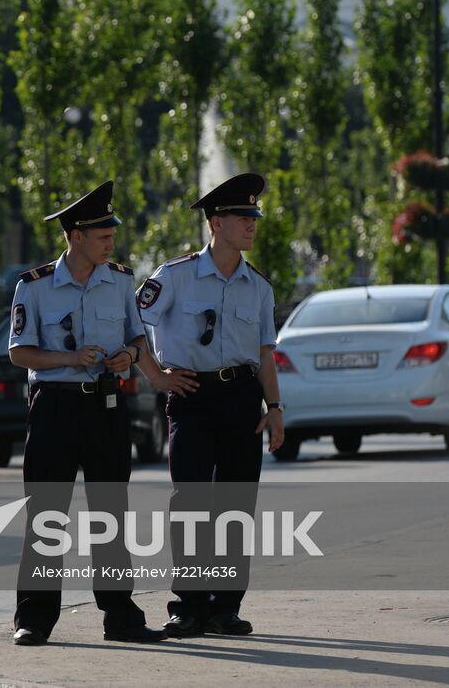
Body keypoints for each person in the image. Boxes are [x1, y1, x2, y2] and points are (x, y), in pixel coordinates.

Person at [9, 180, 199, 647]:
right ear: (75, 236)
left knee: (110, 516)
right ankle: (34, 617)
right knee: (46, 515)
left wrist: (129, 358)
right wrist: (70, 359)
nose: (111, 241)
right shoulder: (32, 287)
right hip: (55, 407)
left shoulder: (118, 280)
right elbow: (20, 353)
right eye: (102, 235)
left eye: (111, 234)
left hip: (107, 407)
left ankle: (121, 616)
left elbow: (138, 338)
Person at [136, 172, 285, 638]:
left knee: (236, 505)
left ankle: (226, 606)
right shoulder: (174, 276)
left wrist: (275, 407)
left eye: (254, 217)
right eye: (244, 217)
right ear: (216, 223)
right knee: (192, 502)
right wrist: (157, 376)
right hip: (192, 396)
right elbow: (131, 322)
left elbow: (264, 353)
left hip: (241, 398)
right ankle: (189, 605)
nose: (252, 225)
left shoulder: (258, 287)